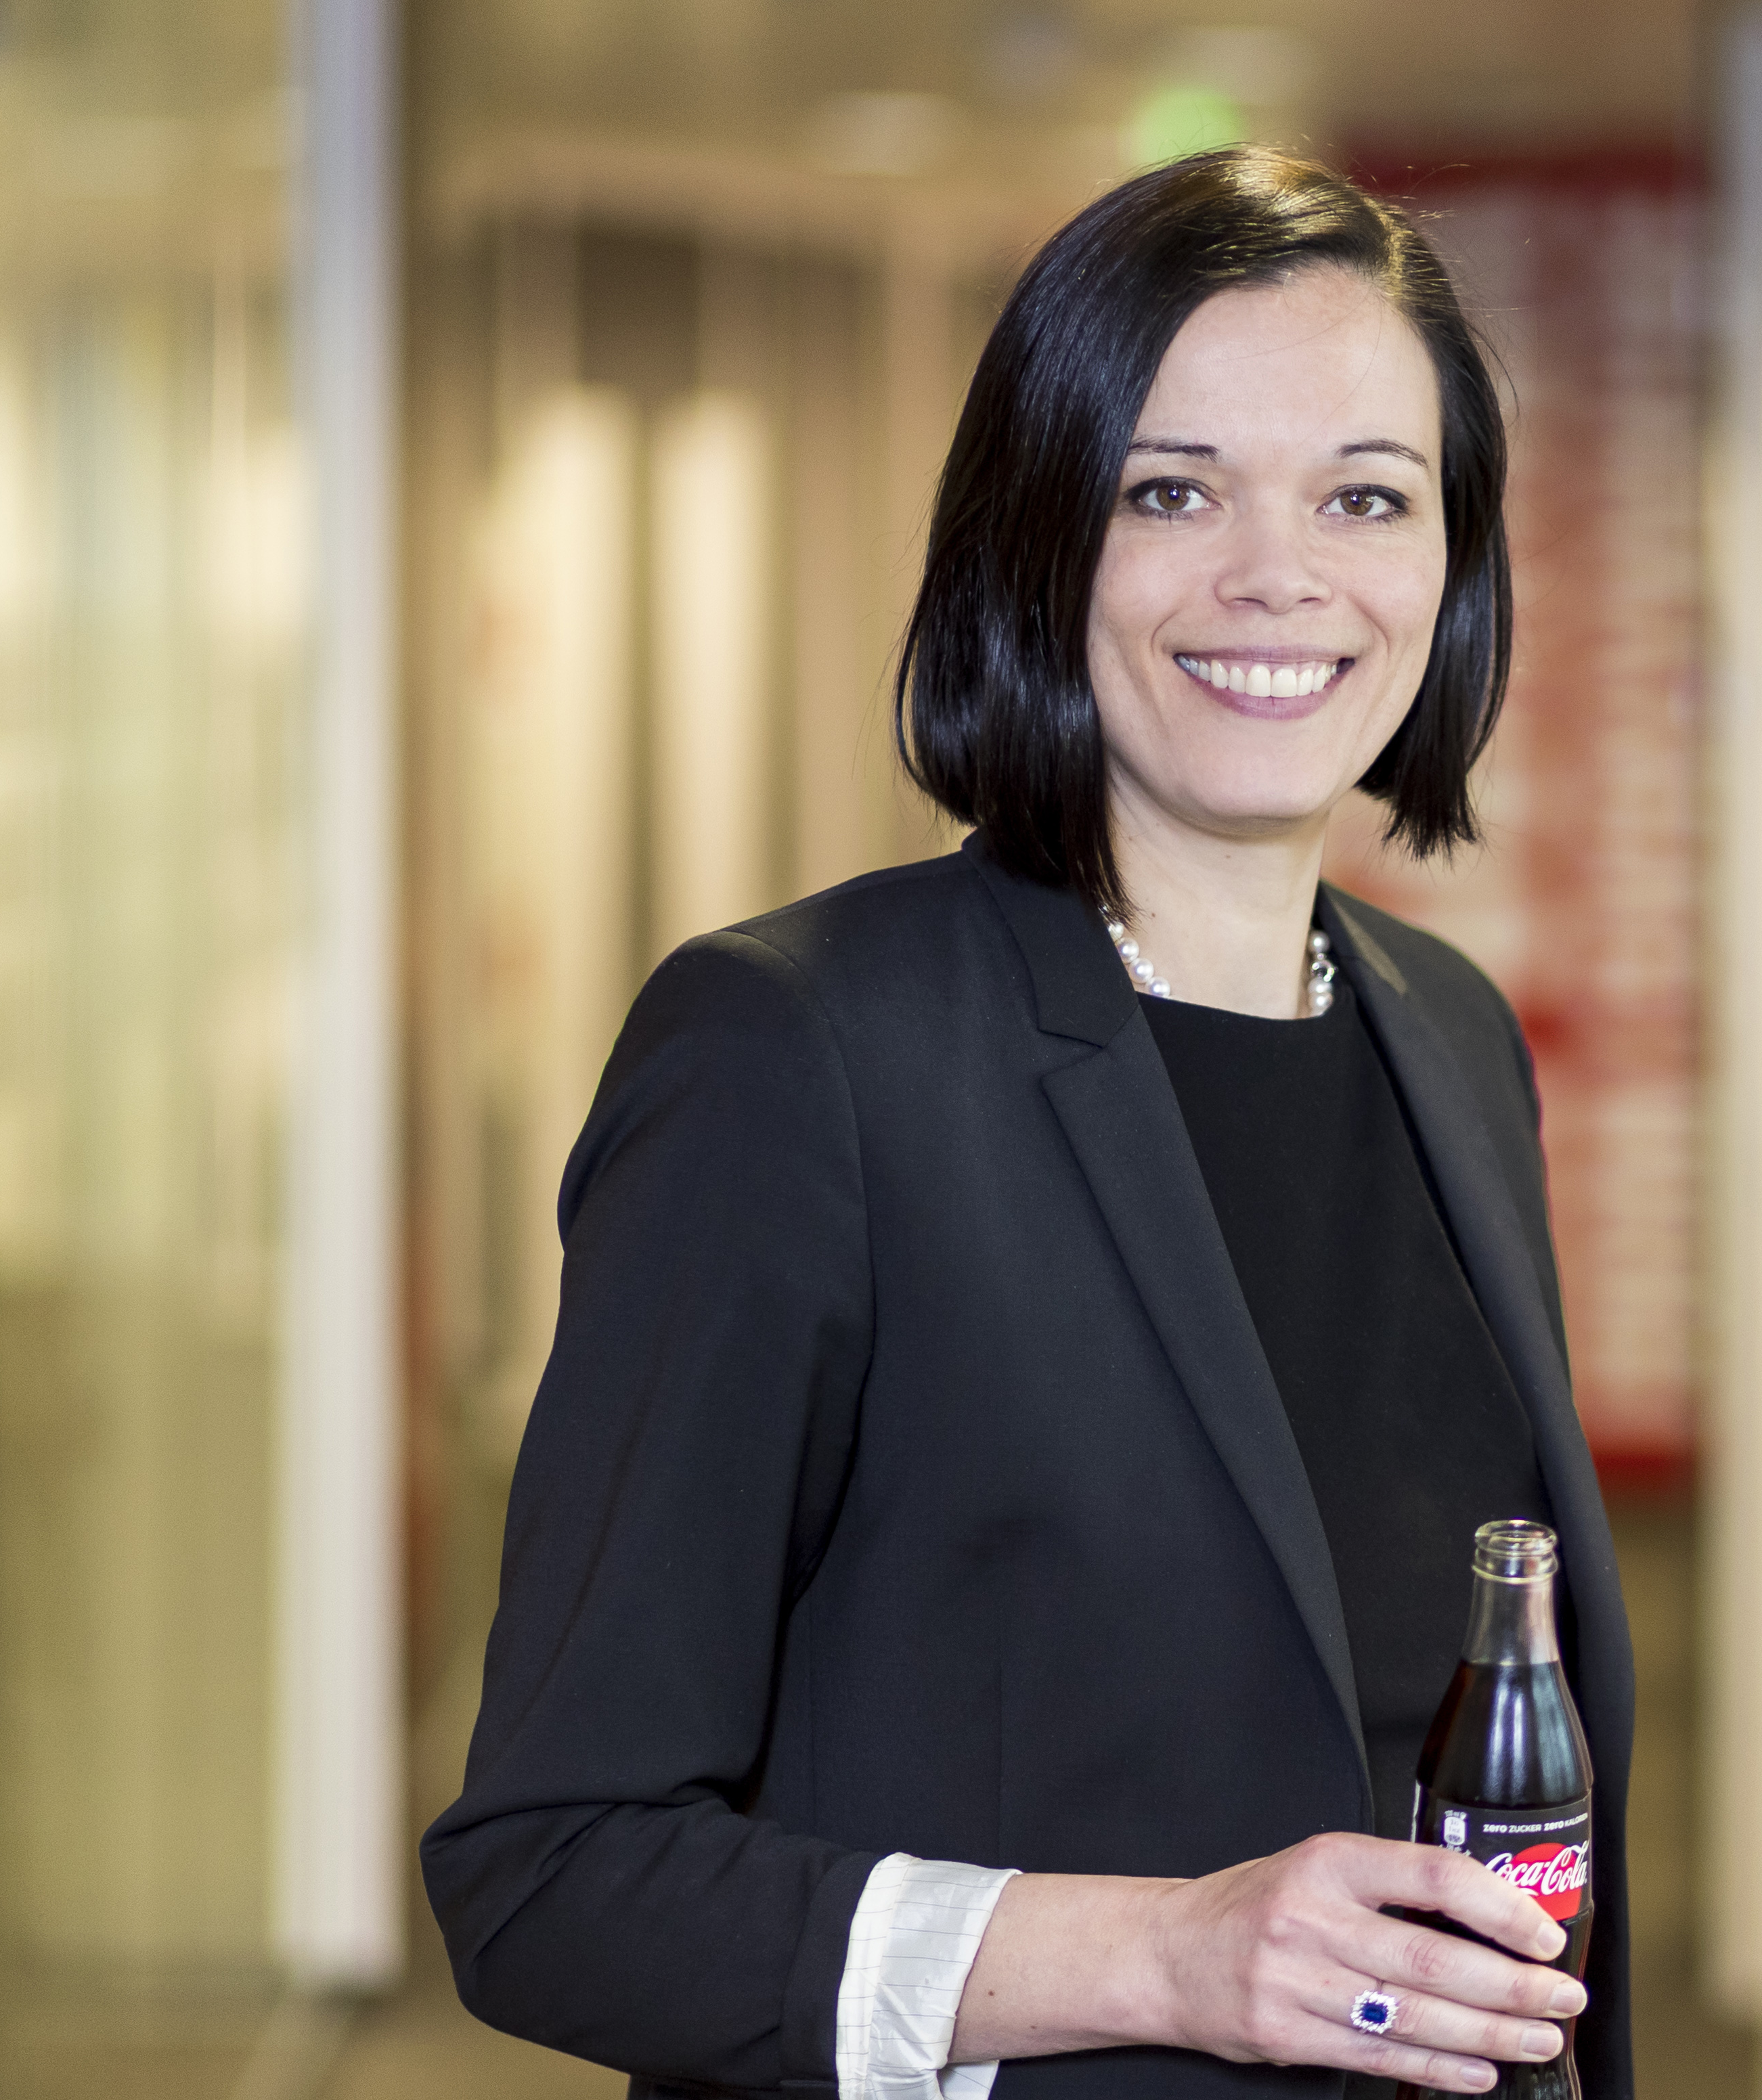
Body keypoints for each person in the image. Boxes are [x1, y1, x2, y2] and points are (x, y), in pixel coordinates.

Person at [422, 145, 1638, 2100]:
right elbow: (556, 1874)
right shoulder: (796, 1055)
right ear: (1036, 539)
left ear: (1450, 564)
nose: (1280, 572)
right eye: (1171, 490)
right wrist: (1163, 1957)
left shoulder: (1452, 1040)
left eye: (1365, 497)